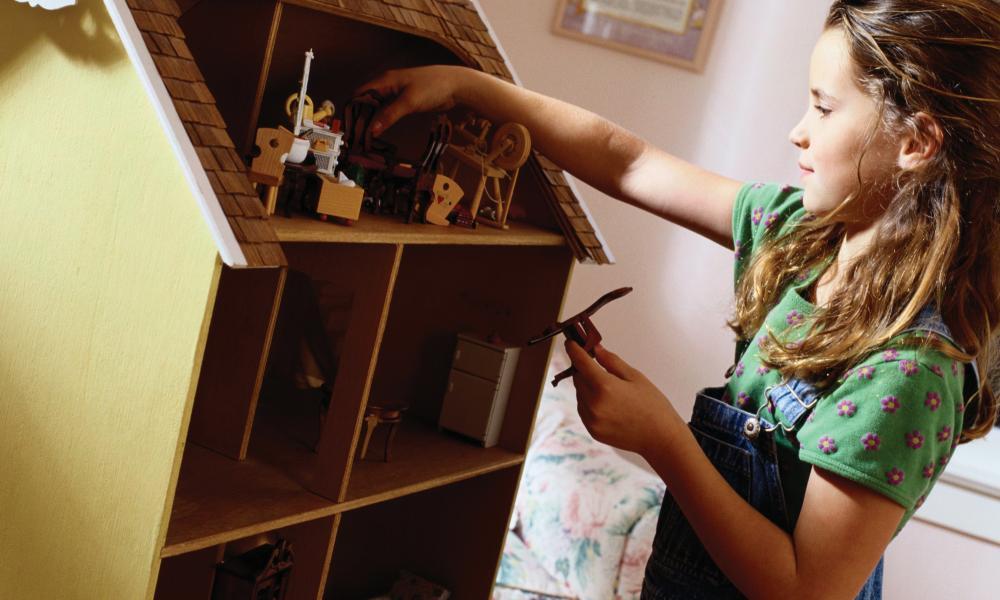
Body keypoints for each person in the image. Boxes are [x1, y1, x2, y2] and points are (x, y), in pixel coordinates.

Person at [357, 0, 999, 597]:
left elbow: (804, 587)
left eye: (824, 109)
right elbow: (629, 162)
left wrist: (663, 440)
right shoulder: (796, 237)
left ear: (916, 142)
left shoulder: (909, 373)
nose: (797, 133)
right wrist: (474, 88)